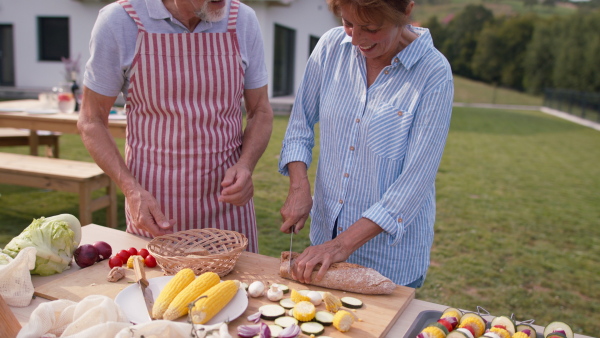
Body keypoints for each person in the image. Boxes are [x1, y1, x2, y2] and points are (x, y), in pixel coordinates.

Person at [278, 0, 453, 287]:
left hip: (389, 261)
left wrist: (339, 246)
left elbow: (414, 184)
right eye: (348, 23)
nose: (356, 39)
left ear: (405, 11)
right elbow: (300, 125)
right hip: (323, 242)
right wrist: (298, 187)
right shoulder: (331, 47)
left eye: (371, 28)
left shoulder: (434, 72)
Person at [78, 0, 273, 253]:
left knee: (237, 292)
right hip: (155, 212)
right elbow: (91, 120)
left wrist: (246, 164)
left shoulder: (243, 20)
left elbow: (261, 110)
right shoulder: (120, 21)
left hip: (229, 213)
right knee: (157, 292)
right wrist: (131, 190)